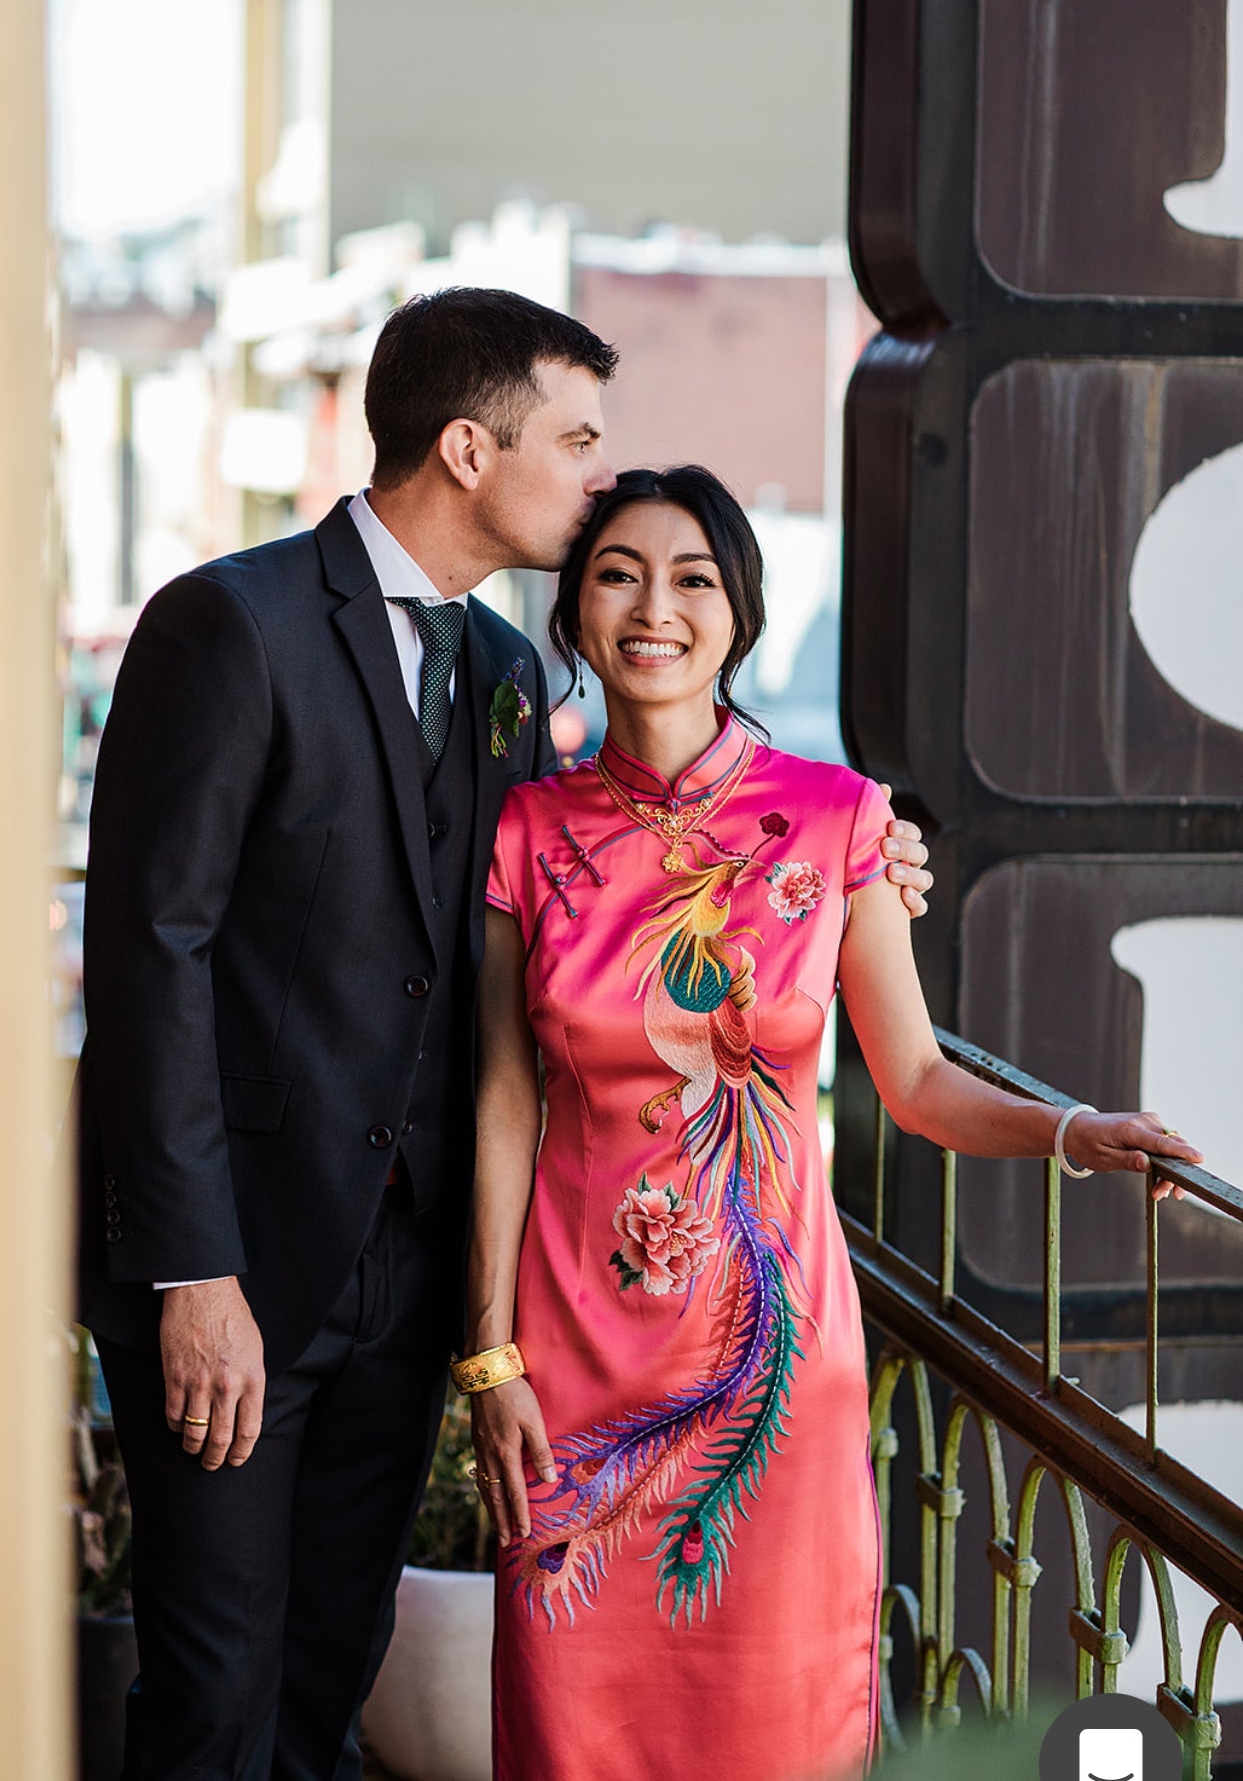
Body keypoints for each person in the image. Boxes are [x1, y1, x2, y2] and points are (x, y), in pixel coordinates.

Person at [76, 290, 937, 1781]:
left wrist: (870, 866)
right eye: (579, 440)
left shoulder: (504, 675)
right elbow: (153, 960)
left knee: (320, 1691)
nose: (601, 474)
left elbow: (550, 910)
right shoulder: (232, 623)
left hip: (406, 1293)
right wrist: (190, 1272)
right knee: (209, 1696)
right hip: (239, 1273)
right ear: (470, 448)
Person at [463, 466, 1202, 1781]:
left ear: (739, 613)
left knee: (770, 1728)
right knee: (570, 1725)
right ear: (574, 613)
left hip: (770, 1376)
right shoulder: (529, 832)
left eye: (692, 578)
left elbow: (912, 1081)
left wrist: (1070, 1129)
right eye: (617, 575)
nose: (653, 608)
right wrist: (491, 1364)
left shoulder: (838, 818)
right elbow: (507, 1101)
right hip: (574, 1377)